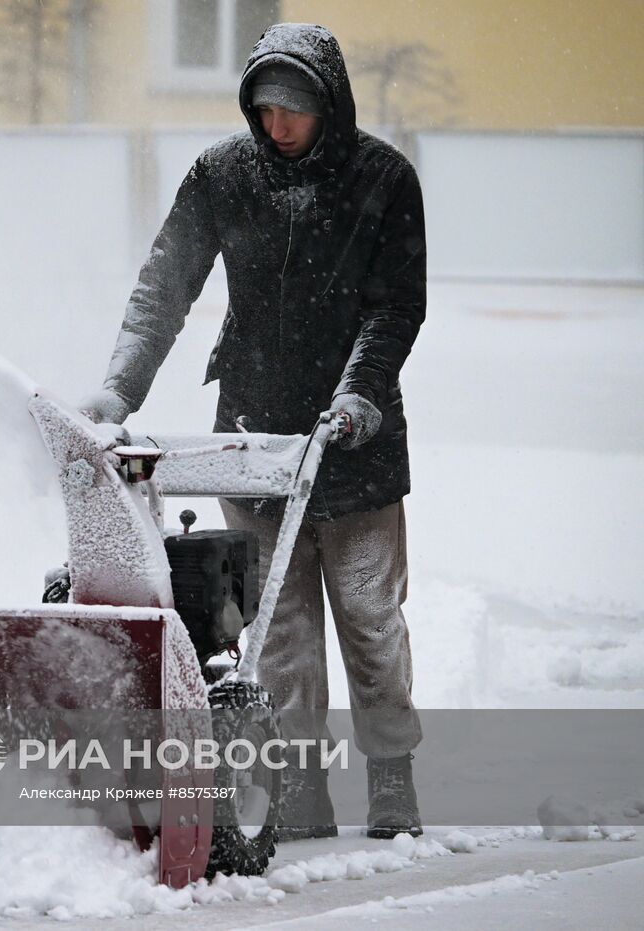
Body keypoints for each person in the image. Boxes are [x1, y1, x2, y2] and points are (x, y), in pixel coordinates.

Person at [78, 22, 425, 840]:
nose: (276, 128)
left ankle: (392, 778)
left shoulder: (382, 180)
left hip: (357, 449)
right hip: (255, 442)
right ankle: (301, 790)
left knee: (370, 621)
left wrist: (358, 397)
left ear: (329, 106)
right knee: (284, 636)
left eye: (294, 112)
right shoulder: (222, 177)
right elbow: (165, 288)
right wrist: (117, 390)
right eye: (264, 110)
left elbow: (395, 307)